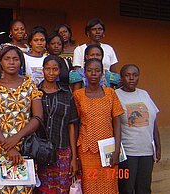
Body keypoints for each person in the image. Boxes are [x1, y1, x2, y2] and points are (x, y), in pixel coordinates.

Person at [0, 46, 43, 193]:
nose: (11, 62)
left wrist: (16, 138)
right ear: (1, 62)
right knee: (1, 189)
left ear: (21, 62)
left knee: (24, 189)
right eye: (7, 59)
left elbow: (38, 117)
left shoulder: (30, 85)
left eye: (15, 59)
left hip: (24, 146)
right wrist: (7, 147)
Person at [73, 58, 124, 194]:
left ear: (102, 73)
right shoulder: (78, 95)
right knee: (89, 187)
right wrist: (75, 156)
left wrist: (117, 150)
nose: (93, 74)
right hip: (86, 150)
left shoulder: (110, 93)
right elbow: (75, 125)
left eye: (97, 71)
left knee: (110, 187)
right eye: (90, 71)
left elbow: (117, 123)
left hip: (108, 151)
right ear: (84, 73)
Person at [36, 55, 78, 194]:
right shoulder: (35, 92)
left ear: (60, 70)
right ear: (43, 70)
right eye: (48, 69)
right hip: (39, 152)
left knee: (62, 189)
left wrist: (73, 157)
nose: (51, 73)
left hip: (62, 150)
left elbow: (71, 126)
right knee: (41, 189)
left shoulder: (66, 94)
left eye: (55, 69)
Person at [116, 64, 161, 194]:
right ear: (121, 77)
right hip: (128, 154)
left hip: (147, 151)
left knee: (144, 188)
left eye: (135, 75)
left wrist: (158, 145)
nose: (132, 78)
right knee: (126, 188)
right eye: (127, 75)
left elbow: (153, 121)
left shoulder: (144, 94)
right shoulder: (115, 96)